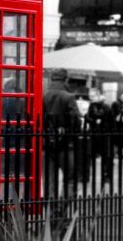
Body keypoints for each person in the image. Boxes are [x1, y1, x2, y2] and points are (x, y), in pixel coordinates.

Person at [43, 69, 82, 199]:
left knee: (49, 181)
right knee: (70, 180)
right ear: (65, 79)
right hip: (66, 145)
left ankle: (51, 213)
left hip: (47, 144)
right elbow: (75, 121)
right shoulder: (68, 96)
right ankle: (62, 211)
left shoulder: (44, 96)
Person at [84, 88, 113, 184]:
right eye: (90, 96)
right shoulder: (91, 106)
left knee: (106, 156)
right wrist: (92, 120)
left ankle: (106, 176)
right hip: (94, 134)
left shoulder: (106, 107)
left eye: (92, 96)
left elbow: (110, 121)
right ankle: (86, 176)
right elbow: (88, 117)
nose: (90, 98)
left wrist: (101, 123)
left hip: (104, 134)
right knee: (89, 155)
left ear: (98, 95)